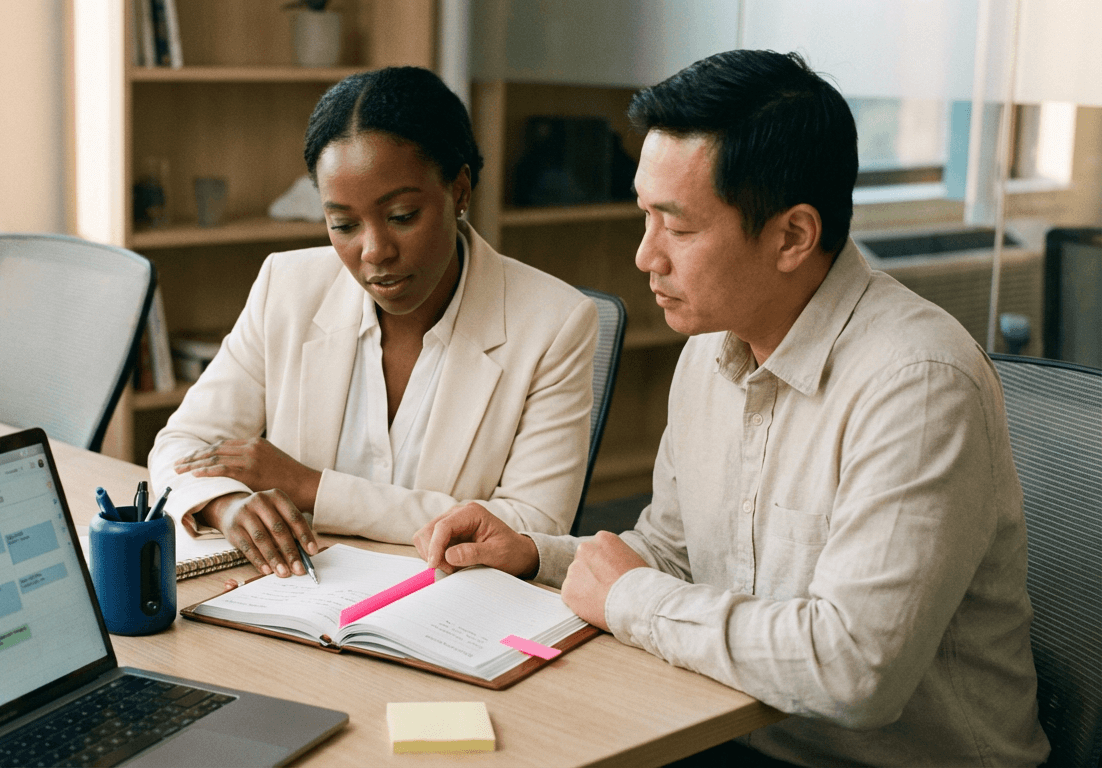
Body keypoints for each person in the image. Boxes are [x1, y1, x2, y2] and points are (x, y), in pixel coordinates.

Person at [414, 50, 1050, 766]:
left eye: (678, 229)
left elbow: (854, 672)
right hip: (730, 731)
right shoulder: (711, 350)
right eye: (645, 216)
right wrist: (536, 556)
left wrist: (629, 598)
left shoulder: (918, 384)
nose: (645, 256)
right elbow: (676, 557)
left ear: (793, 236)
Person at [148, 66, 598, 582]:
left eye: (402, 216)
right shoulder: (287, 287)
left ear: (459, 191)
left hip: (446, 603)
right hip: (299, 598)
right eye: (343, 224)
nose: (374, 251)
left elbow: (533, 526)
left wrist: (312, 488)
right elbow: (182, 445)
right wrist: (225, 505)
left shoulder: (554, 323)